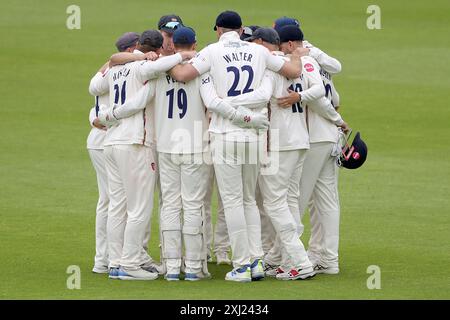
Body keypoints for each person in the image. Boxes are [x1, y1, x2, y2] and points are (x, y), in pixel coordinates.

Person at [169, 10, 307, 282]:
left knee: (232, 202)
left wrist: (170, 58)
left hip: (226, 134)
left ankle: (242, 265)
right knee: (248, 201)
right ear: (242, 28)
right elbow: (293, 71)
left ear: (219, 29)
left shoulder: (210, 52)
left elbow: (184, 76)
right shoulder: (258, 53)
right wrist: (296, 52)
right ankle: (255, 261)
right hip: (255, 135)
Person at [91, 30, 195, 280]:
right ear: (157, 50)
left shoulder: (117, 68)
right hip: (136, 141)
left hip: (111, 143)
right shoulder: (147, 67)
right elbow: (167, 65)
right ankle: (130, 264)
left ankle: (116, 262)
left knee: (118, 205)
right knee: (139, 208)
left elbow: (96, 86)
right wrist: (187, 53)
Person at [276, 25, 349, 275]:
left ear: (289, 44)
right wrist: (337, 120)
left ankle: (293, 261)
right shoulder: (319, 63)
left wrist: (337, 120)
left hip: (315, 137)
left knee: (296, 198)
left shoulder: (305, 62)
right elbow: (335, 99)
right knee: (327, 200)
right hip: (328, 137)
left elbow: (320, 99)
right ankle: (327, 258)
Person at [87, 32, 140, 274]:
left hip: (100, 140)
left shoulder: (106, 71)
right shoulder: (125, 69)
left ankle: (105, 258)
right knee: (116, 202)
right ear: (131, 50)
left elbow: (93, 91)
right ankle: (112, 259)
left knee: (108, 201)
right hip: (110, 138)